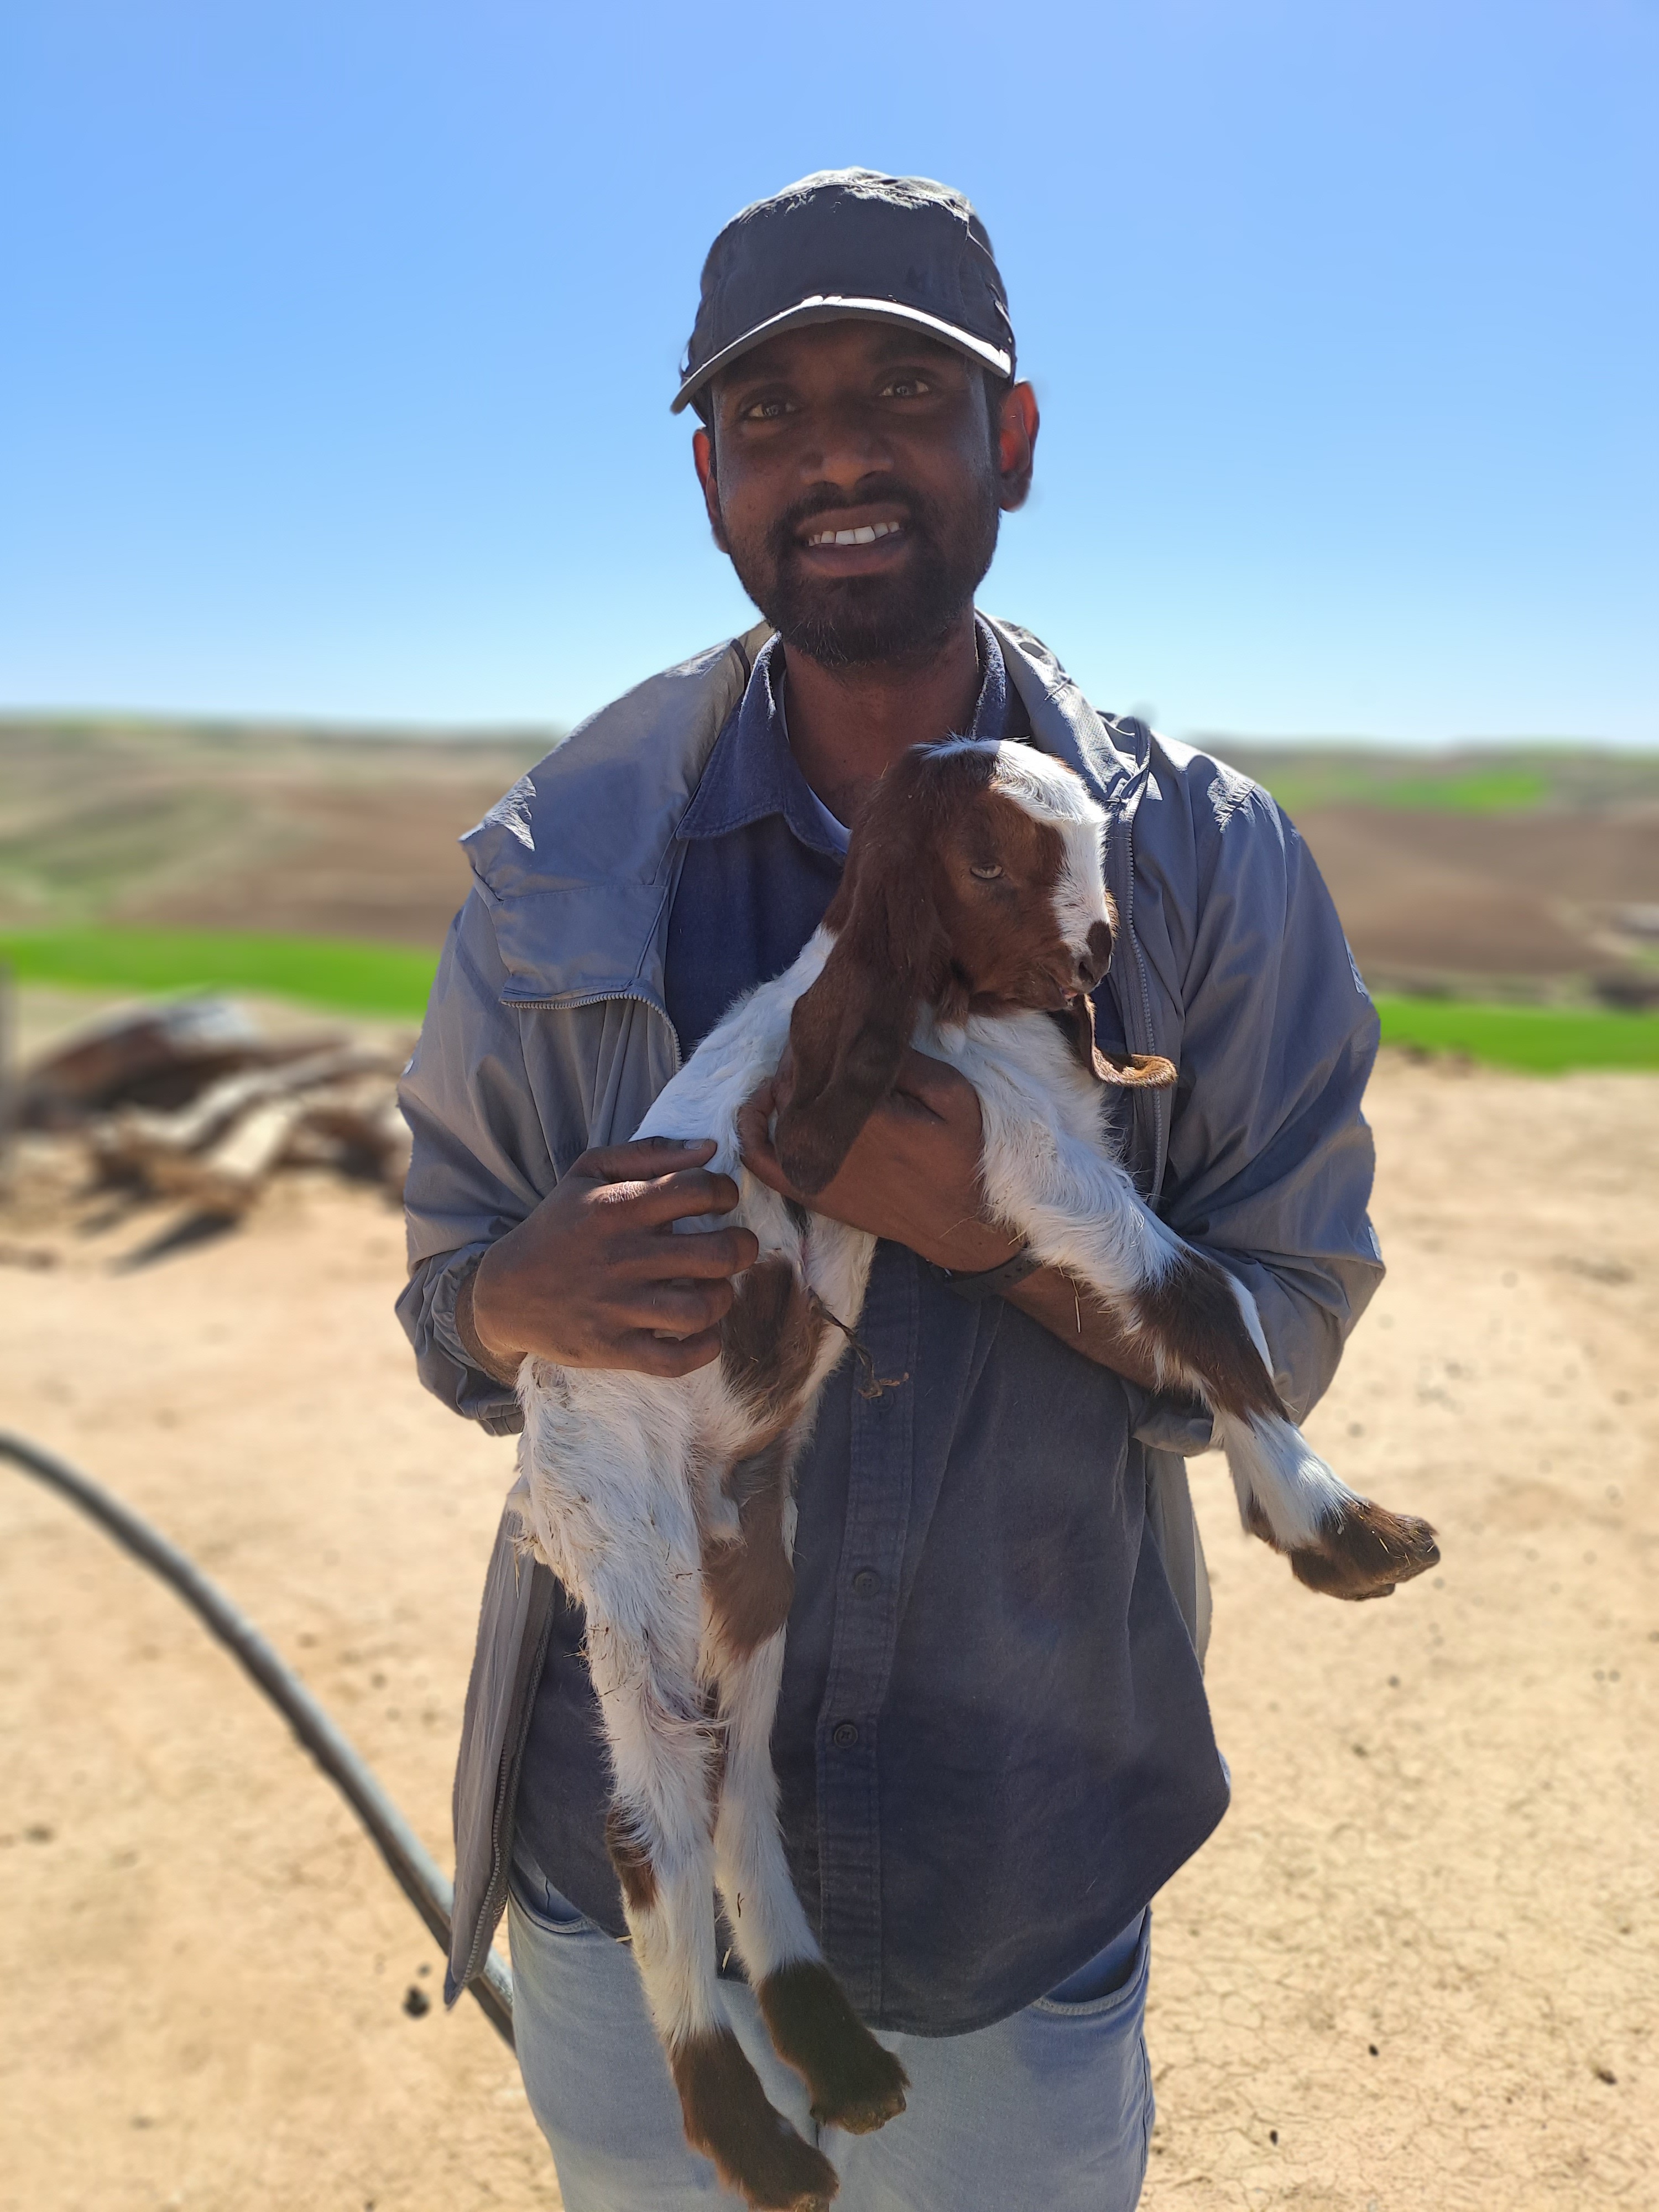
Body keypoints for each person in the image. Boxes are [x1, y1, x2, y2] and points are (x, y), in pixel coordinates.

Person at [397, 169, 1383, 2212]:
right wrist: (520, 1296)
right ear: (709, 479)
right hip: (627, 1849)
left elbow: (1283, 1318)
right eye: (769, 417)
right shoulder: (568, 855)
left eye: (902, 392)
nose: (834, 453)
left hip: (1011, 1864)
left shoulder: (1200, 861)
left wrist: (981, 1237)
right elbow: (447, 1304)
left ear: (1006, 440)